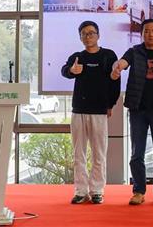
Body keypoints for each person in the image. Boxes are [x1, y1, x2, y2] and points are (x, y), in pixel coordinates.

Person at [111, 19, 153, 206]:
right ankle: (138, 191)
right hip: (138, 109)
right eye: (146, 31)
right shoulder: (134, 51)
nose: (150, 34)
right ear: (141, 34)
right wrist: (117, 67)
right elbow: (123, 62)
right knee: (137, 153)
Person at [61, 20, 120, 205]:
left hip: (100, 111)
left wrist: (110, 104)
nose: (88, 37)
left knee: (99, 153)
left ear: (98, 35)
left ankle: (97, 191)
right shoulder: (77, 57)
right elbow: (64, 70)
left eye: (91, 33)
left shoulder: (108, 55)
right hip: (78, 110)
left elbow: (115, 81)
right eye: (84, 34)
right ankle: (81, 191)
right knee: (78, 153)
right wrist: (72, 70)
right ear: (80, 37)